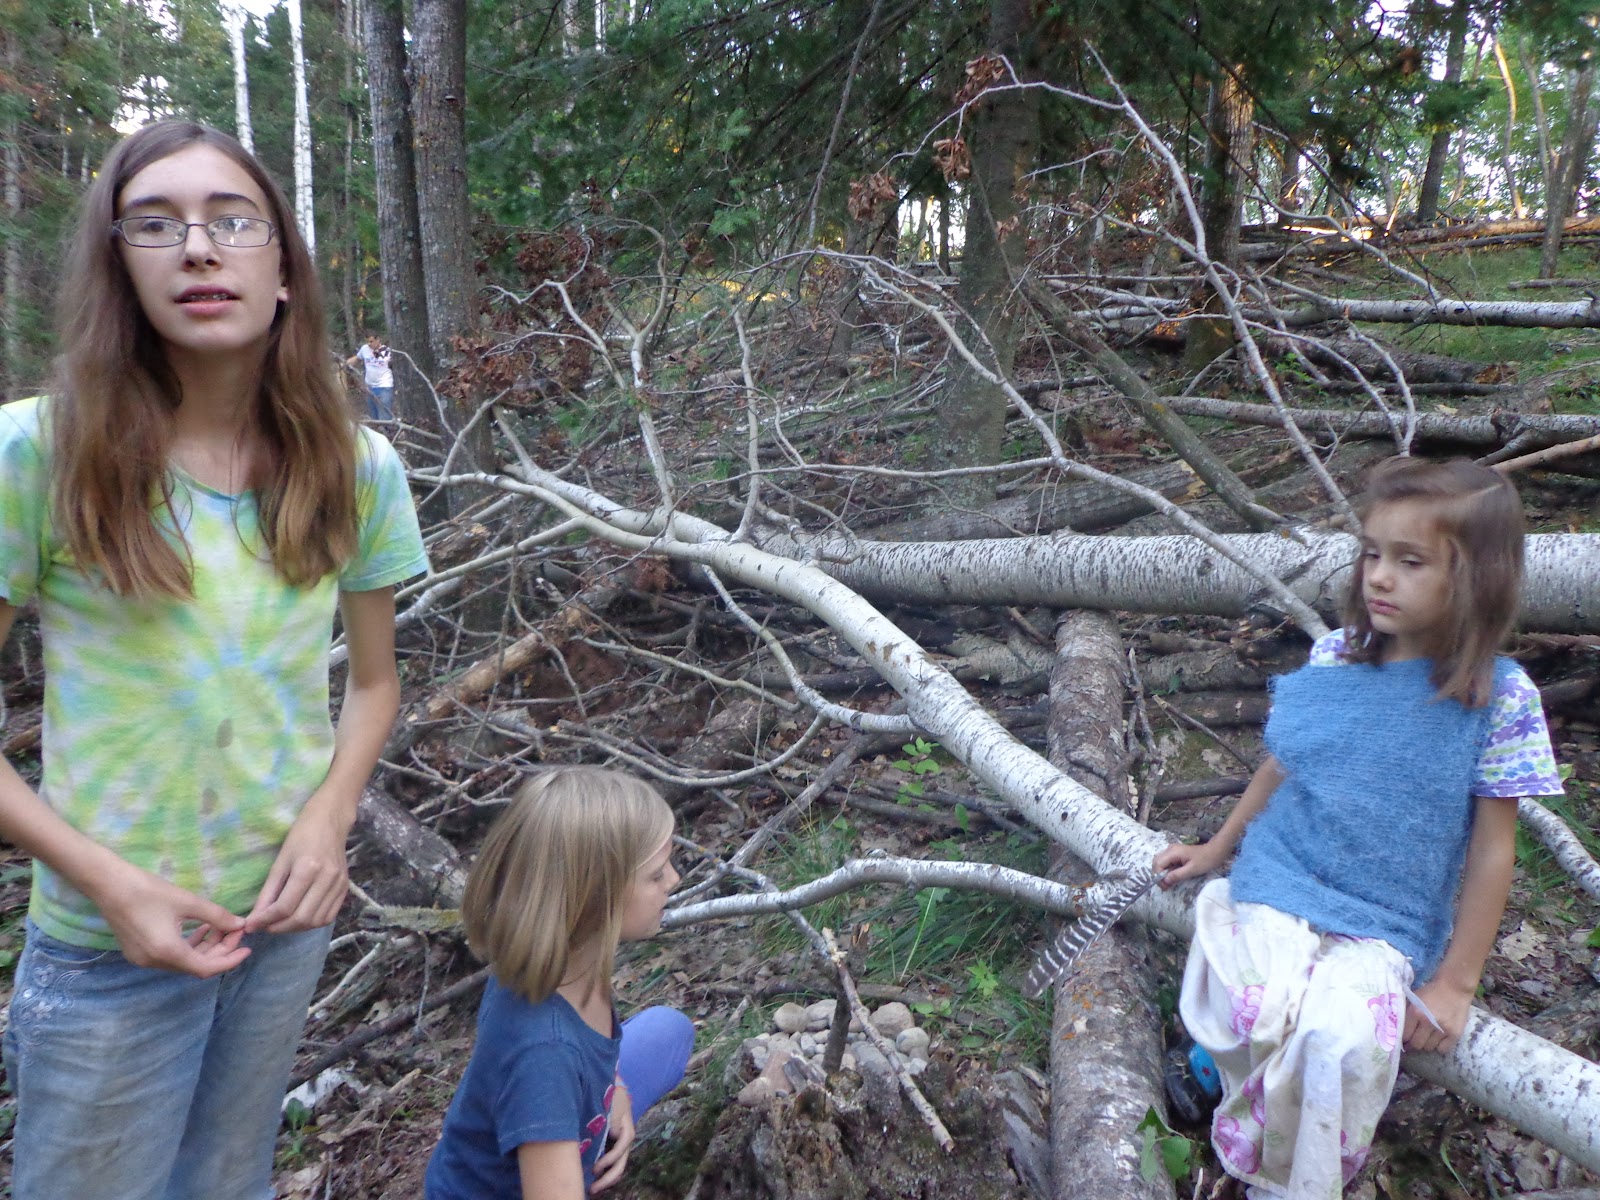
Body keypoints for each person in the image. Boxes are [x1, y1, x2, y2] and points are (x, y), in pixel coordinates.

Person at [0, 120, 428, 1200]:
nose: (197, 248)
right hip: (109, 944)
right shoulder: (37, 456)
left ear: (282, 266)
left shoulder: (355, 465)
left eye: (231, 220)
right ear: (117, 267)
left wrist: (330, 822)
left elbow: (374, 684)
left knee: (227, 1184)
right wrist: (109, 885)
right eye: (155, 224)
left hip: (282, 927)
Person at [1154, 456, 1563, 1199]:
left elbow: (1494, 850)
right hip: (1288, 871)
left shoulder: (1499, 700)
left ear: (1474, 579)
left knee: (1340, 1038)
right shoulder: (1337, 655)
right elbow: (1285, 762)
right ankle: (1220, 1070)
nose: (1378, 577)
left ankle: (1281, 1177)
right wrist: (1219, 847)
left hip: (1387, 915)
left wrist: (1456, 984)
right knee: (1259, 998)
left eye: (1410, 562)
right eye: (1372, 554)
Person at [425, 767, 696, 1200]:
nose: (674, 880)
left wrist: (617, 1093)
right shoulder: (544, 1053)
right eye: (656, 874)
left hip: (558, 1122)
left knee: (670, 1030)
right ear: (595, 899)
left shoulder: (572, 960)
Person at [346, 331, 395, 421]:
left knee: (385, 418)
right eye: (368, 341)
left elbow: (392, 365)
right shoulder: (364, 349)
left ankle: (388, 433)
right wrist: (345, 363)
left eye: (371, 341)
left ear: (378, 340)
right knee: (374, 418)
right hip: (370, 388)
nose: (369, 344)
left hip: (384, 387)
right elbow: (357, 358)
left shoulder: (386, 351)